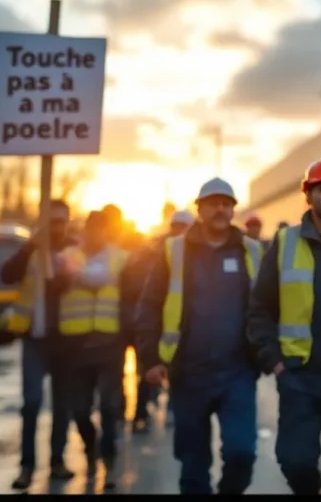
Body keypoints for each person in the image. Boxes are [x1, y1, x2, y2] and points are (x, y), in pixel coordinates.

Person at [136, 178, 265, 495]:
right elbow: (150, 305)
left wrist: (267, 353)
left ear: (234, 209)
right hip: (188, 373)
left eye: (227, 203)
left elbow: (268, 305)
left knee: (241, 454)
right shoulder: (174, 250)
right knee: (193, 465)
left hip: (238, 372)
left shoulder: (252, 250)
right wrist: (150, 359)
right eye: (213, 203)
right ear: (200, 209)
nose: (221, 209)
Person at [247, 157, 321, 495]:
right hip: (299, 377)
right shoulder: (285, 243)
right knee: (294, 460)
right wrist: (275, 361)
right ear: (308, 196)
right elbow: (260, 307)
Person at [0, 199, 75, 490]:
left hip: (66, 341)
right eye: (52, 220)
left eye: (62, 220)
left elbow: (70, 281)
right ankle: (26, 465)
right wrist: (31, 247)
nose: (58, 226)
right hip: (35, 339)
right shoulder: (29, 250)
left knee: (62, 405)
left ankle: (57, 460)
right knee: (31, 403)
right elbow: (6, 275)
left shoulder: (72, 249)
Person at [58, 210, 130, 488]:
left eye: (102, 229)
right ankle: (91, 446)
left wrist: (77, 274)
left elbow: (101, 277)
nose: (96, 234)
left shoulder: (119, 257)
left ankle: (109, 461)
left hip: (109, 340)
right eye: (92, 228)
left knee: (110, 405)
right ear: (86, 229)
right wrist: (76, 273)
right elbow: (64, 277)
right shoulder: (68, 254)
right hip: (75, 343)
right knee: (79, 408)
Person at [123, 210, 194, 434]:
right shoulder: (161, 251)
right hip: (158, 323)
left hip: (181, 326)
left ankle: (173, 406)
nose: (180, 231)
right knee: (148, 370)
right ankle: (140, 413)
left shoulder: (196, 253)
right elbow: (143, 290)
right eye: (177, 226)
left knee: (179, 370)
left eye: (185, 226)